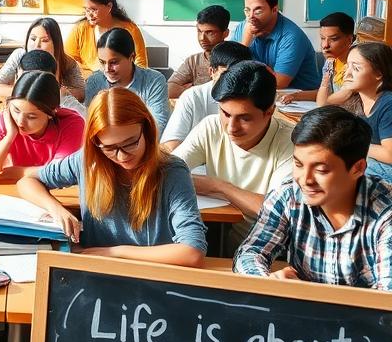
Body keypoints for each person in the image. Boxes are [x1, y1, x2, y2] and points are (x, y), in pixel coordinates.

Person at [17, 87, 206, 266]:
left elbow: (192, 251)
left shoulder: (172, 171)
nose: (122, 156)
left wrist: (115, 253)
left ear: (146, 130)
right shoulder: (87, 161)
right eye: (109, 148)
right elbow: (27, 182)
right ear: (96, 144)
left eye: (130, 143)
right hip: (97, 275)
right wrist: (57, 210)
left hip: (151, 277)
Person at [234, 107, 392, 287]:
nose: (305, 180)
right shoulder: (288, 195)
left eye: (321, 170)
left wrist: (309, 295)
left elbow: (386, 300)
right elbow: (251, 252)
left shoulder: (386, 214)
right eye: (298, 164)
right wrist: (267, 281)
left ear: (357, 168)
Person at [173, 61, 294, 246]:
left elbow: (277, 210)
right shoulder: (211, 127)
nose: (231, 128)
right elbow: (168, 170)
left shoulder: (291, 142)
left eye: (244, 118)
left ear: (270, 112)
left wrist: (220, 187)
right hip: (217, 237)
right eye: (226, 113)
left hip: (269, 249)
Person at [0, 71, 84, 184]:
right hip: (20, 191)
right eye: (16, 110)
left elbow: (59, 175)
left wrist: (20, 172)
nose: (20, 122)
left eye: (31, 117)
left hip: (59, 195)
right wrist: (9, 137)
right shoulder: (7, 120)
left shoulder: (72, 124)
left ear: (52, 113)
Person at [160, 41, 252, 152]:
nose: (234, 80)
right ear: (212, 71)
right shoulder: (192, 97)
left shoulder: (252, 99)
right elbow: (170, 146)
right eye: (227, 74)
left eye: (240, 74)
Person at [231, 0, 320, 90]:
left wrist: (243, 63)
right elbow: (228, 67)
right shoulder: (243, 27)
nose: (250, 17)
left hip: (298, 97)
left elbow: (279, 83)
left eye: (258, 11)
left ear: (274, 9)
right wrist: (245, 43)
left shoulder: (292, 36)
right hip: (260, 92)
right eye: (247, 10)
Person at [84, 28, 169, 134]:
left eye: (114, 62)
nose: (107, 69)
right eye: (102, 62)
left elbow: (158, 126)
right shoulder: (95, 81)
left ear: (132, 57)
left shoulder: (153, 81)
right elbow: (88, 122)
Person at [0, 17, 85, 103]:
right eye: (33, 39)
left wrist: (62, 93)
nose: (36, 45)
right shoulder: (19, 55)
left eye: (44, 40)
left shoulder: (68, 62)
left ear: (56, 44)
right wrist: (28, 90)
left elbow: (81, 93)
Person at [64, 0, 148, 75]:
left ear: (109, 6)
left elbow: (141, 64)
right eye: (86, 10)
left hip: (122, 83)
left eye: (94, 10)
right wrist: (91, 77)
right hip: (87, 82)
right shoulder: (80, 29)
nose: (89, 14)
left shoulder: (130, 29)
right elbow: (68, 60)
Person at [278, 10, 356, 107]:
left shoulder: (356, 65)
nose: (325, 45)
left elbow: (324, 102)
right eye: (323, 38)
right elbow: (324, 92)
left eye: (334, 39)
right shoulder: (332, 60)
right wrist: (295, 96)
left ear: (350, 39)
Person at [338, 42, 392, 181]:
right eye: (347, 66)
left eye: (355, 68)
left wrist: (352, 143)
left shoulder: (388, 103)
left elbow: (390, 155)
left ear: (379, 74)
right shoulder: (354, 100)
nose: (347, 73)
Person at [167, 4, 231, 98]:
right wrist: (193, 91)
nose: (202, 38)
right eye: (199, 31)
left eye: (210, 32)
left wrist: (191, 90)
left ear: (225, 33)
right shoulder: (193, 61)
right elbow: (169, 90)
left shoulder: (235, 59)